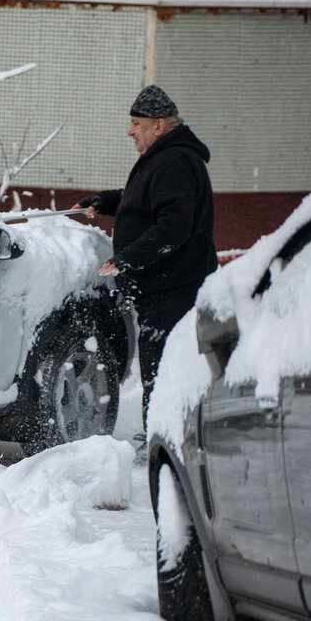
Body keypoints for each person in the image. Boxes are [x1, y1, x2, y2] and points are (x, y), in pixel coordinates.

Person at [73, 85, 217, 433]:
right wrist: (106, 201)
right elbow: (145, 200)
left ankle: (162, 438)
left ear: (159, 126)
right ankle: (162, 433)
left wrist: (127, 258)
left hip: (173, 289)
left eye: (136, 123)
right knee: (160, 366)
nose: (130, 130)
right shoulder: (166, 157)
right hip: (166, 286)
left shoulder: (174, 160)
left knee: (163, 368)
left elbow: (173, 227)